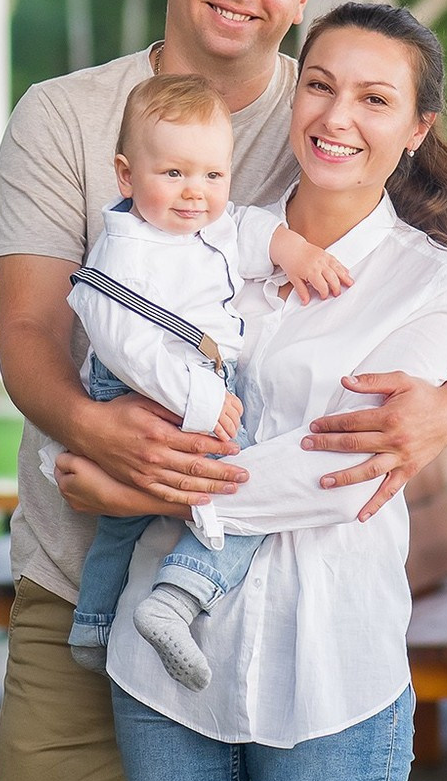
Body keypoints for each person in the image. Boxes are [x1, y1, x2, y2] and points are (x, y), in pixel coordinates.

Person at [0, 0, 447, 781]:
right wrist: (100, 456)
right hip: (82, 555)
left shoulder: (324, 119)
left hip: (285, 602)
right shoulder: (67, 116)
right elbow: (28, 333)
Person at [60, 74, 350, 690]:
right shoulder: (124, 254)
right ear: (126, 175)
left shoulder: (203, 224)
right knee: (242, 488)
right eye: (174, 175)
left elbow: (246, 228)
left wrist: (294, 251)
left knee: (121, 521)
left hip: (201, 377)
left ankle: (92, 624)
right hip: (156, 388)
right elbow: (126, 346)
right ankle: (179, 597)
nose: (196, 194)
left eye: (212, 177)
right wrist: (200, 398)